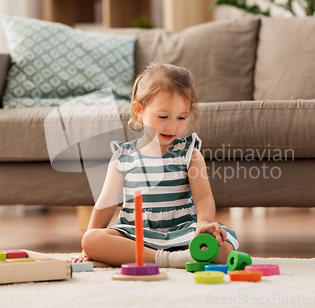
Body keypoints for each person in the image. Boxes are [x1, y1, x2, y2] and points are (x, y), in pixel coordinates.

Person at [71, 63, 239, 268]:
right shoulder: (122, 157)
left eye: (181, 117)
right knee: (90, 240)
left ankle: (170, 257)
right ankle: (169, 260)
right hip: (135, 236)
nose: (172, 126)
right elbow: (105, 204)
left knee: (224, 248)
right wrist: (86, 249)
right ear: (139, 110)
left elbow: (203, 197)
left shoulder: (190, 154)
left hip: (181, 232)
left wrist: (203, 223)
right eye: (163, 116)